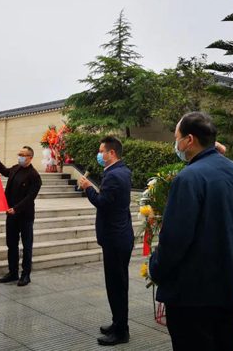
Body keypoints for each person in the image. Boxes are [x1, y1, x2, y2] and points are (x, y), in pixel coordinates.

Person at [148, 112, 233, 351]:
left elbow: (175, 239)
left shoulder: (188, 178)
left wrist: (155, 268)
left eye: (177, 138)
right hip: (226, 284)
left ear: (189, 140)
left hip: (192, 292)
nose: (176, 144)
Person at [79, 136, 134, 346]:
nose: (99, 155)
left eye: (101, 151)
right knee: (118, 284)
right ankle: (118, 323)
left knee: (116, 286)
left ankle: (121, 332)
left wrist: (88, 188)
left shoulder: (113, 175)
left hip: (115, 239)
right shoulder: (123, 171)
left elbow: (102, 202)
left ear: (111, 153)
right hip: (121, 236)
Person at [0, 146, 42, 287]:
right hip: (11, 214)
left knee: (27, 246)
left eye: (23, 155)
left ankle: (26, 274)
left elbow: (30, 198)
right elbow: (4, 171)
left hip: (25, 216)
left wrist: (16, 209)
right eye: (19, 154)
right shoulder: (16, 168)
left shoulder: (34, 176)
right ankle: (13, 272)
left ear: (30, 158)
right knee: (11, 244)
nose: (20, 157)